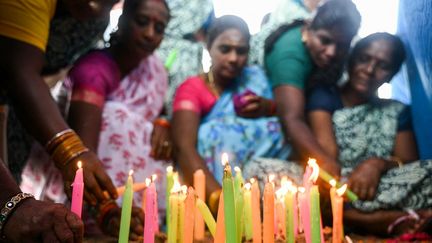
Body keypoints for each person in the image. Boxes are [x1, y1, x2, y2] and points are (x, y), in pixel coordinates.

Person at [21, 0, 171, 239]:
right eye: (142, 22)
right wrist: (106, 212)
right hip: (90, 200)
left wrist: (163, 122)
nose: (150, 34)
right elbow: (81, 159)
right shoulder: (94, 70)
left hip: (127, 203)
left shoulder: (155, 71)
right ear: (121, 21)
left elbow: (150, 112)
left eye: (159, 28)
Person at [306, 32, 432, 236]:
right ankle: (370, 219)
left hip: (375, 189)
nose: (370, 70)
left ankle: (346, 216)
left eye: (383, 66)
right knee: (263, 172)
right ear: (351, 59)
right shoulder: (325, 96)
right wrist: (342, 185)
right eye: (364, 59)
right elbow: (326, 158)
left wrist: (377, 165)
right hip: (331, 181)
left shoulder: (396, 111)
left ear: (392, 75)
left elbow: (409, 161)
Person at [0, 0, 119, 207]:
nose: (95, 7)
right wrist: (70, 151)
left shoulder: (95, 21)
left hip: (25, 111)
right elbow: (20, 70)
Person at [171, 15, 290, 211]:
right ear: (209, 48)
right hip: (212, 192)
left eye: (241, 51)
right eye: (225, 49)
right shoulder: (193, 88)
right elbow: (184, 147)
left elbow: (285, 121)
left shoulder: (256, 79)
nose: (234, 59)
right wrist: (221, 200)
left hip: (261, 185)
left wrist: (266, 108)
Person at [264, 0, 361, 178]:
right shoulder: (290, 55)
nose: (332, 52)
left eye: (341, 45)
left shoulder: (330, 52)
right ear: (308, 29)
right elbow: (291, 118)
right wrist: (323, 161)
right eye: (325, 40)